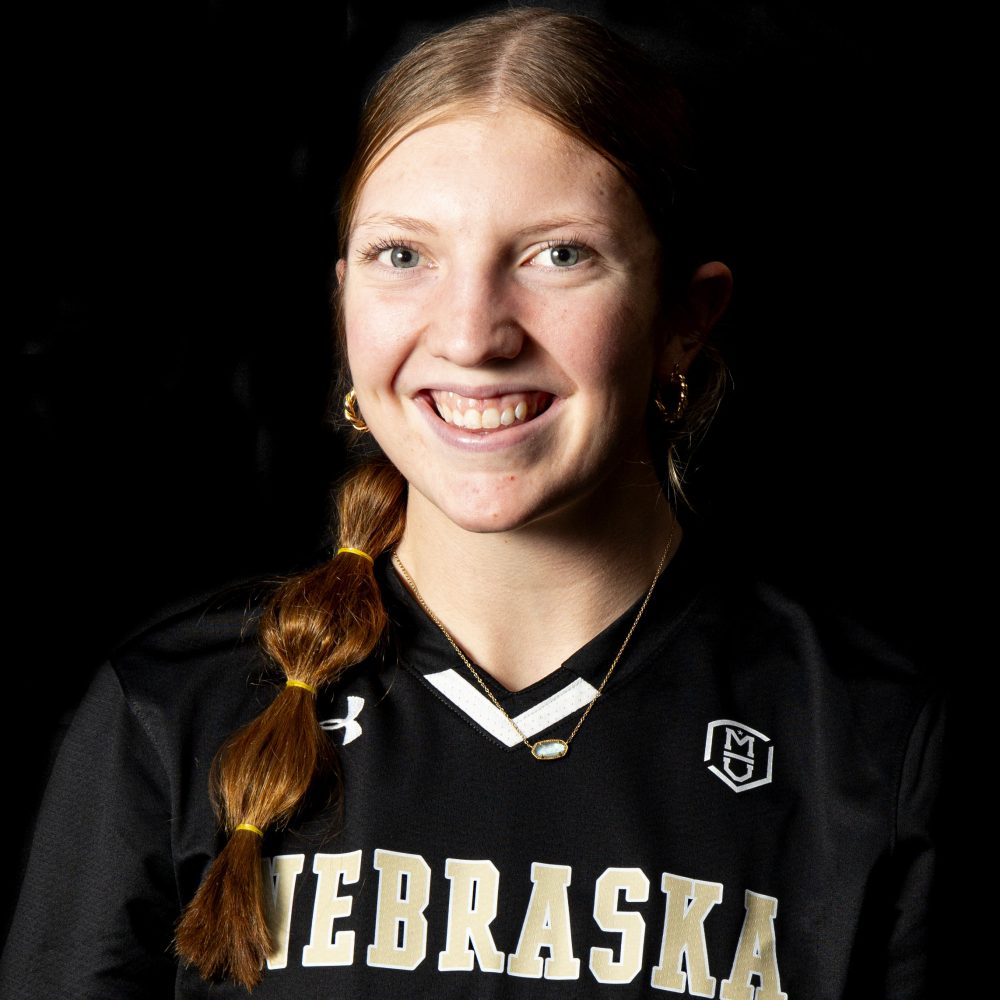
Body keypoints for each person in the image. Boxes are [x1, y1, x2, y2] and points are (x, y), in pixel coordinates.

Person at [2, 6, 943, 998]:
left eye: (558, 254)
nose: (470, 335)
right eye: (404, 255)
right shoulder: (171, 714)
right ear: (345, 299)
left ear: (683, 317)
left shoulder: (870, 748)